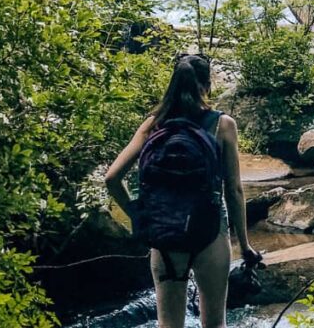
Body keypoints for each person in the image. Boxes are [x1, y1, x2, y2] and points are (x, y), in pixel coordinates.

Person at [105, 54, 261, 328]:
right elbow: (233, 191)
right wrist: (245, 245)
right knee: (214, 324)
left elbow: (112, 178)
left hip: (165, 232)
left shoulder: (154, 124)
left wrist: (138, 216)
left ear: (173, 84)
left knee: (168, 324)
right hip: (210, 229)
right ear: (207, 85)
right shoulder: (222, 124)